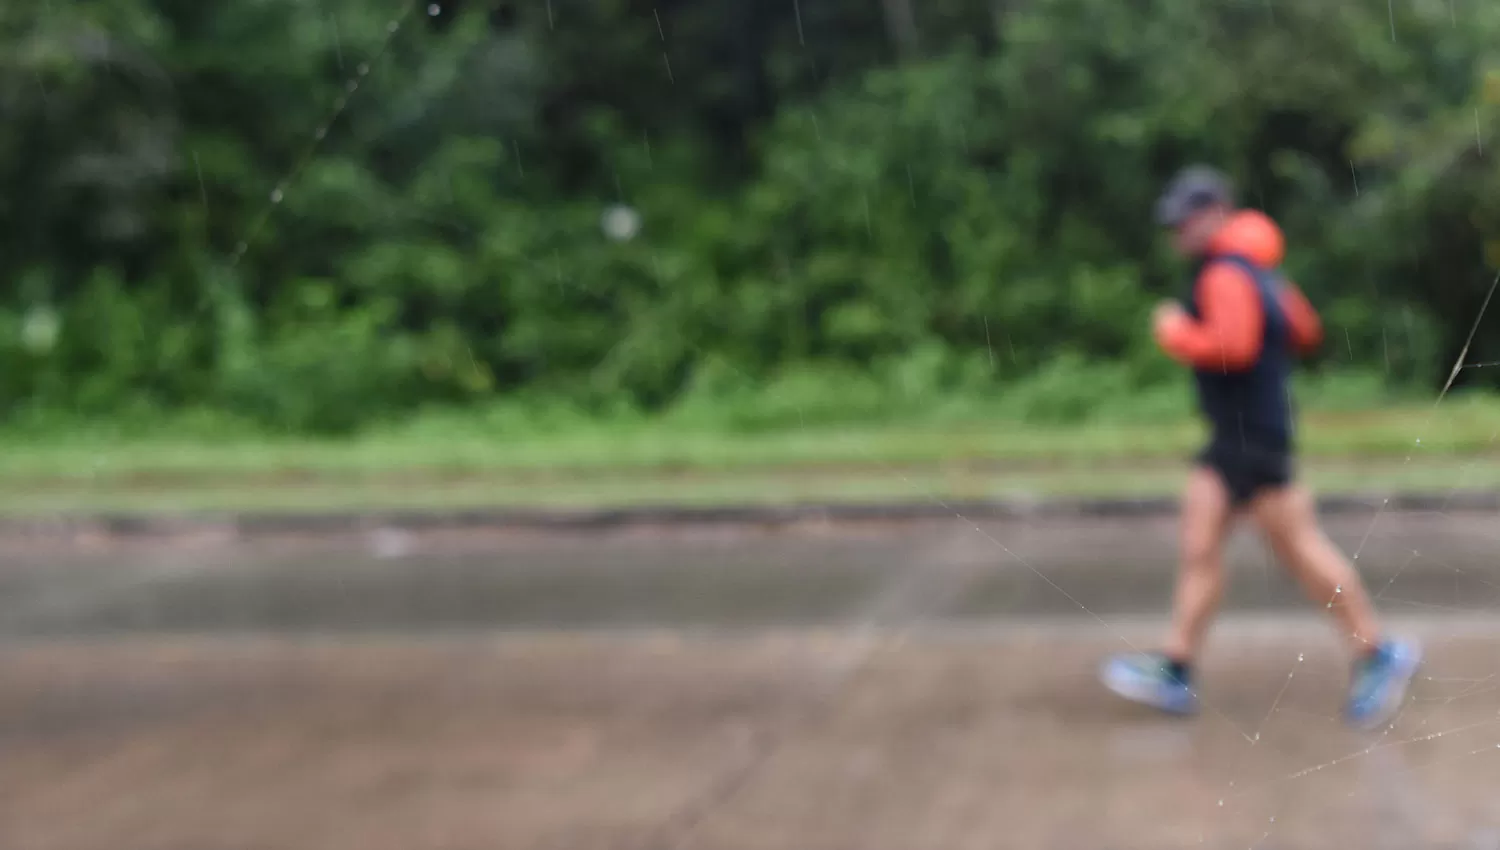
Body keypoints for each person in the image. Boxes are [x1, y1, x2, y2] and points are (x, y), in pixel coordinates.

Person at [1100, 166, 1421, 730]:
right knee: (1200, 542)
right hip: (1234, 435)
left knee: (1298, 548)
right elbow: (1305, 329)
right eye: (1175, 221)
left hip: (1255, 438)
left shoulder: (1225, 272)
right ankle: (1176, 667)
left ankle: (1376, 653)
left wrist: (1176, 332)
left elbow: (1235, 346)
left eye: (1187, 219)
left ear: (1219, 212)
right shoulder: (1258, 270)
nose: (1177, 231)